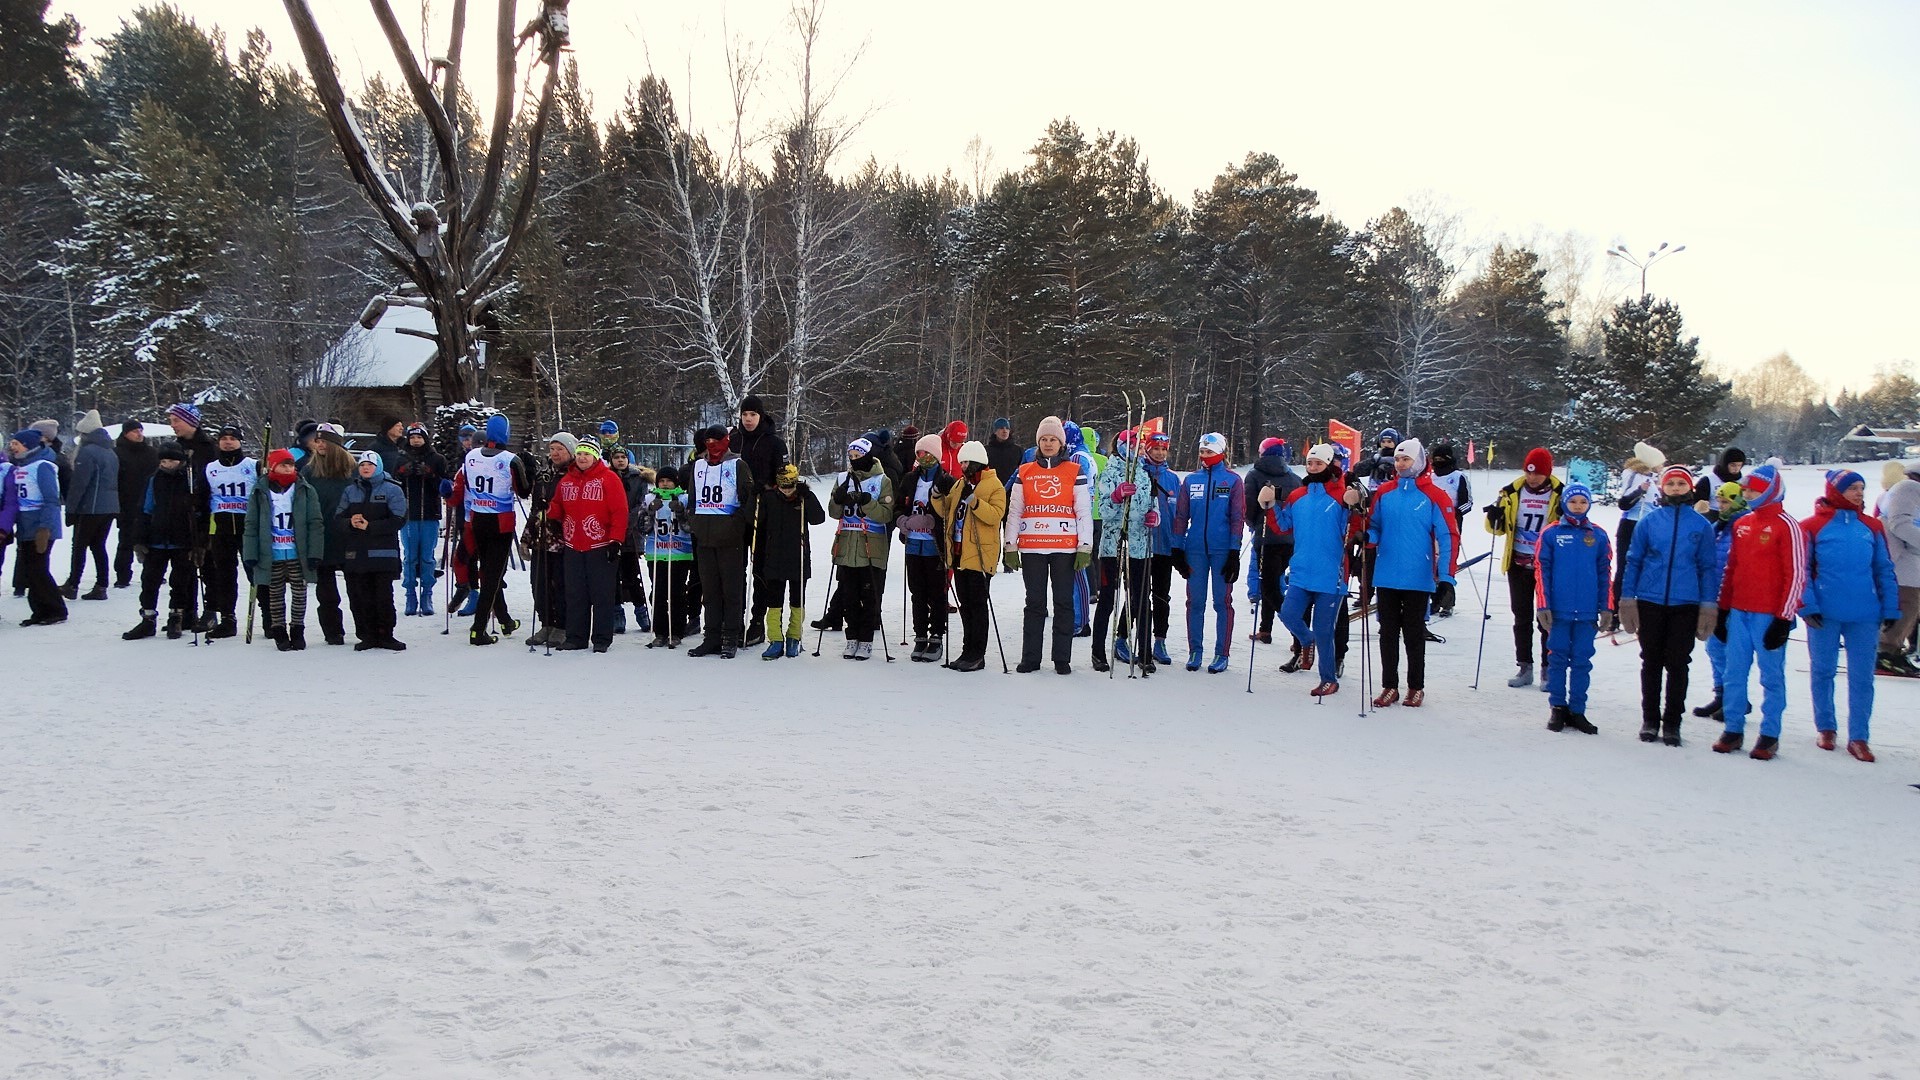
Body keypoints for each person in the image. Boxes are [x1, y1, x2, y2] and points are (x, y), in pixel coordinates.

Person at [1800, 469, 1899, 762]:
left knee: (1862, 677)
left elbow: (1884, 568)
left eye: (1861, 488)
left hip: (1864, 614)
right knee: (1822, 670)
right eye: (1852, 488)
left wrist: (1891, 607)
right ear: (1834, 490)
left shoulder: (1871, 527)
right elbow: (1802, 570)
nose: (1859, 493)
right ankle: (1826, 727)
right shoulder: (1812, 527)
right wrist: (1808, 605)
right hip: (1824, 613)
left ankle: (1859, 736)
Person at [1618, 464, 1719, 746]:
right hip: (1650, 600)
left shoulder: (1701, 525)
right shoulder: (1649, 522)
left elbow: (1708, 567)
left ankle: (1672, 722)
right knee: (1651, 661)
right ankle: (1650, 719)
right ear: (1663, 487)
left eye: (1681, 484)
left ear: (1690, 488)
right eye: (1671, 484)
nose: (1676, 488)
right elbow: (1634, 560)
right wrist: (1627, 598)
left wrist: (1709, 604)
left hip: (1685, 604)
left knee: (1678, 663)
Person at [1711, 465, 1805, 760]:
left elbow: (1796, 574)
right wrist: (1723, 609)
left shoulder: (1786, 525)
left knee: (1771, 676)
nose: (1748, 493)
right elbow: (1732, 568)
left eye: (1754, 489)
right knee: (1734, 673)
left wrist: (1783, 618)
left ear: (1770, 491)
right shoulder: (1742, 524)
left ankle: (1769, 733)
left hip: (1769, 615)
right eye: (1746, 489)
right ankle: (1733, 727)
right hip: (1740, 611)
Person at [1364, 438, 1457, 707]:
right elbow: (1375, 526)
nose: (1401, 464)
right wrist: (1366, 535)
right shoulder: (1385, 492)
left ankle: (1416, 685)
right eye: (1397, 460)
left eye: (1406, 460)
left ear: (1418, 462)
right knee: (1387, 632)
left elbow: (1448, 535)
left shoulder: (1434, 495)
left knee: (1414, 632)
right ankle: (1389, 685)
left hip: (1418, 575)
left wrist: (1447, 578)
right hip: (1387, 573)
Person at [1263, 443, 1359, 696]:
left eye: (1318, 463)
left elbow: (1354, 530)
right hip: (1302, 571)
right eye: (1310, 463)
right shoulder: (1298, 496)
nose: (1313, 467)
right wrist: (1271, 506)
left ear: (1329, 465)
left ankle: (1328, 679)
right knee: (1289, 614)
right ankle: (1307, 640)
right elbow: (1283, 526)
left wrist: (1355, 506)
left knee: (1325, 629)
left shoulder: (1340, 494)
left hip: (1331, 574)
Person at [1004, 417, 1091, 674]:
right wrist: (1010, 546)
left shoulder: (1074, 471)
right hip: (1032, 548)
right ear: (1038, 443)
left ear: (1061, 443)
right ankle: (1031, 658)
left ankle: (1061, 658)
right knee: (1035, 604)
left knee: (1063, 602)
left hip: (1065, 548)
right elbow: (1015, 510)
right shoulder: (1025, 471)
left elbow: (1083, 510)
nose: (1049, 443)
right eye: (1044, 439)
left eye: (1053, 439)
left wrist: (1085, 547)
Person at [1534, 483, 1612, 734]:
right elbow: (1541, 570)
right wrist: (1544, 604)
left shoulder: (1598, 535)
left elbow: (1604, 572)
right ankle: (1557, 707)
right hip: (1558, 610)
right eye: (1573, 501)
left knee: (1582, 661)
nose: (1578, 506)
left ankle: (1577, 709)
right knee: (1557, 659)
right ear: (1564, 503)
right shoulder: (1551, 533)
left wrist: (1606, 607)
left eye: (1583, 502)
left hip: (1587, 612)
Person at [1484, 446, 1563, 688]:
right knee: (1521, 617)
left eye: (1537, 474)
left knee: (1547, 619)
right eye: (1528, 473)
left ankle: (1548, 669)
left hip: (1547, 566)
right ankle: (1524, 666)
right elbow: (1496, 530)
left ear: (1547, 473)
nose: (1532, 478)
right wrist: (1494, 516)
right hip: (1517, 562)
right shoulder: (1511, 491)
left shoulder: (1560, 494)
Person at [544, 435, 629, 652]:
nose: (582, 458)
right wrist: (548, 508)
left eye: (587, 454)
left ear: (595, 456)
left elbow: (620, 512)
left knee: (601, 593)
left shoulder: (609, 479)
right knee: (575, 593)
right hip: (573, 545)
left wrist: (616, 540)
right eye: (580, 453)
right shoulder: (567, 480)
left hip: (601, 545)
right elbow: (557, 508)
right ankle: (576, 637)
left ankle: (601, 638)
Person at [1174, 432, 1245, 673]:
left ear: (1221, 453)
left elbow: (1237, 518)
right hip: (1195, 549)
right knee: (1195, 601)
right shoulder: (1192, 480)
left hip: (1222, 549)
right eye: (1202, 452)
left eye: (1210, 452)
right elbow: (1181, 516)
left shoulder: (1233, 481)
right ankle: (1195, 650)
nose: (1205, 456)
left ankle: (1221, 653)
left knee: (1222, 601)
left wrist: (1235, 551)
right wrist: (1177, 547)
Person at [933, 440, 1007, 672]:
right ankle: (967, 650)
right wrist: (937, 493)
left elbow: (995, 515)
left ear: (978, 462)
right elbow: (946, 509)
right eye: (961, 462)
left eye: (966, 462)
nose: (963, 466)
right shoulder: (960, 484)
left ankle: (977, 653)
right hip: (960, 554)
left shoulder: (994, 485)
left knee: (977, 605)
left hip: (980, 555)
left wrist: (973, 500)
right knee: (965, 605)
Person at [242, 448, 324, 650]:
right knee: (275, 592)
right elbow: (251, 524)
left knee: (299, 591)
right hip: (272, 551)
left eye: (291, 465)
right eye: (284, 464)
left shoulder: (304, 489)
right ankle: (278, 629)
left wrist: (315, 553)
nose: (289, 468)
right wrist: (250, 553)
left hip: (298, 551)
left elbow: (315, 523)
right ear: (273, 466)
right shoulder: (260, 490)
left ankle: (297, 629)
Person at [459, 415, 530, 645]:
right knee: (492, 575)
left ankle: (505, 620)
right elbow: (524, 491)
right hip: (500, 521)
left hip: (478, 517)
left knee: (488, 570)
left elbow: (468, 485)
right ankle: (478, 628)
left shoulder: (470, 455)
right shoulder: (511, 459)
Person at [1093, 429, 1157, 673]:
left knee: (1140, 599)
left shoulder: (1143, 472)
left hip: (1140, 545)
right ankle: (1098, 652)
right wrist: (1117, 496)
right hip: (1113, 545)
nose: (1133, 449)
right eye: (1128, 444)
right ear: (1118, 446)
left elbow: (1152, 503)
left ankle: (1145, 653)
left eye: (1136, 445)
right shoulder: (1110, 471)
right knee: (1108, 598)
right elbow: (1104, 511)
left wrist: (1154, 515)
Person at [688, 427, 755, 657]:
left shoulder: (737, 465)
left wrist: (736, 526)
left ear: (726, 441)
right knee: (710, 591)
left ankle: (730, 635)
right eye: (708, 440)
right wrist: (695, 523)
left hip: (730, 540)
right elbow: (693, 500)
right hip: (705, 539)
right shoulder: (698, 466)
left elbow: (748, 501)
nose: (712, 444)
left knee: (731, 590)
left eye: (717, 440)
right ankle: (712, 636)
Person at [121, 445, 199, 640]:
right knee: (150, 580)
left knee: (180, 582)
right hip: (156, 539)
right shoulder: (154, 480)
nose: (167, 465)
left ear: (180, 462)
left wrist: (199, 541)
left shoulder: (189, 480)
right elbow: (145, 510)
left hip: (182, 540)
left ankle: (176, 616)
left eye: (171, 461)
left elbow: (198, 512)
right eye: (163, 462)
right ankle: (148, 618)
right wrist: (139, 539)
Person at [830, 437, 896, 660]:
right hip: (847, 545)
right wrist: (838, 500)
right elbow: (833, 512)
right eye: (851, 456)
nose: (854, 460)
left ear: (867, 456)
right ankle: (852, 637)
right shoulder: (842, 478)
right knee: (848, 596)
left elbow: (886, 514)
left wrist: (867, 501)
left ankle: (866, 639)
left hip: (872, 546)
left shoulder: (881, 480)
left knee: (869, 596)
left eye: (858, 456)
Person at [731, 394, 789, 646]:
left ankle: (757, 620)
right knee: (735, 568)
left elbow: (785, 476)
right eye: (745, 415)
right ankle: (733, 619)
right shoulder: (733, 440)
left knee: (761, 570)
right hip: (734, 512)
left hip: (764, 512)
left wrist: (769, 488)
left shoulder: (774, 442)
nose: (748, 419)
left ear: (761, 416)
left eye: (753, 415)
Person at [337, 450, 408, 650]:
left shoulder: (392, 489)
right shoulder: (351, 490)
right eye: (362, 465)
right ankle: (367, 635)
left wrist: (371, 526)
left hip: (383, 555)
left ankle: (386, 635)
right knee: (362, 596)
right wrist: (350, 523)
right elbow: (337, 519)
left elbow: (399, 519)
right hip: (357, 554)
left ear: (378, 467)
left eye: (370, 465)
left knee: (383, 596)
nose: (366, 468)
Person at [754, 463, 825, 659]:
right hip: (774, 557)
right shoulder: (769, 498)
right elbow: (756, 522)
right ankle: (775, 639)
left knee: (797, 599)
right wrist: (756, 496)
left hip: (798, 557)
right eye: (783, 486)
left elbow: (819, 518)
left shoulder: (802, 498)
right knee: (774, 601)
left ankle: (794, 636)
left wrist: (807, 496)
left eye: (790, 485)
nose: (787, 490)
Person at [898, 433, 955, 661]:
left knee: (937, 593)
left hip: (935, 546)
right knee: (917, 592)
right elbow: (900, 505)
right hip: (913, 544)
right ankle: (920, 634)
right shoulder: (910, 479)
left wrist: (935, 521)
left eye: (927, 454)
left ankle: (937, 635)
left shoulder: (946, 480)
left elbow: (951, 511)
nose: (923, 458)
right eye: (919, 454)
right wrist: (902, 521)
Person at [198, 424, 257, 639]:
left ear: (240, 441)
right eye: (224, 438)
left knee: (255, 571)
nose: (228, 441)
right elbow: (203, 500)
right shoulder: (210, 468)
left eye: (233, 438)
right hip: (220, 529)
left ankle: (269, 616)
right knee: (224, 575)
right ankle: (228, 619)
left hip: (248, 527)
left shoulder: (252, 465)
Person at [301, 428, 355, 645]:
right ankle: (333, 631)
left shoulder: (353, 470)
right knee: (326, 592)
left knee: (357, 588)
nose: (320, 445)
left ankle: (364, 626)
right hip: (321, 536)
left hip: (348, 535)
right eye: (318, 441)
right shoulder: (309, 471)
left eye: (324, 441)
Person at [1245, 436, 1299, 648]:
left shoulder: (1254, 475)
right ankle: (1265, 629)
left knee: (1269, 588)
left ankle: (1299, 632)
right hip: (1289, 539)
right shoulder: (1293, 477)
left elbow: (1248, 508)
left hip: (1267, 538)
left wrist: (1254, 523)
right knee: (1273, 582)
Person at [8, 429, 66, 625]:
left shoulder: (42, 466)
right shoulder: (20, 465)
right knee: (30, 571)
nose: (12, 447)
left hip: (41, 527)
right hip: (25, 527)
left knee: (38, 569)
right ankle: (40, 611)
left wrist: (45, 528)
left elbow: (51, 499)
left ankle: (55, 609)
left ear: (28, 445)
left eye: (16, 443)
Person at [392, 423, 447, 617]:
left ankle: (427, 594)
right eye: (412, 437)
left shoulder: (437, 459)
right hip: (408, 515)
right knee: (410, 557)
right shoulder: (400, 458)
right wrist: (401, 474)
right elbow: (393, 485)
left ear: (425, 438)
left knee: (427, 556)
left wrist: (431, 475)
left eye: (419, 437)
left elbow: (444, 485)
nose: (416, 440)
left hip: (430, 513)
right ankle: (410, 594)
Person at [1134, 429, 1180, 666]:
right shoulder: (1139, 472)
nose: (1160, 453)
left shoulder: (1172, 478)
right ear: (1147, 449)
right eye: (1155, 449)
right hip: (1141, 545)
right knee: (1138, 595)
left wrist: (1178, 545)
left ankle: (1159, 641)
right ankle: (1124, 636)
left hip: (1164, 546)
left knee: (1162, 596)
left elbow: (1180, 515)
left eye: (1163, 449)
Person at [524, 434, 574, 646]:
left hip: (564, 539)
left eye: (560, 449)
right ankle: (547, 623)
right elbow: (535, 509)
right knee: (539, 583)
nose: (555, 453)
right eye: (552, 448)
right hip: (542, 539)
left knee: (561, 584)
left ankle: (563, 625)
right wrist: (526, 538)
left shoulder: (573, 475)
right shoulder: (544, 475)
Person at [62, 418, 119, 601]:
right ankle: (102, 585)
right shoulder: (110, 451)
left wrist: (71, 509)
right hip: (110, 506)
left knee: (79, 546)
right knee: (98, 545)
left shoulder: (87, 452)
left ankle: (72, 584)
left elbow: (79, 484)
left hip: (91, 506)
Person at [640, 465, 695, 646]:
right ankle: (660, 631)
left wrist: (680, 513)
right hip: (657, 552)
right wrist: (650, 512)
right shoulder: (649, 498)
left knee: (677, 593)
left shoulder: (685, 498)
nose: (665, 485)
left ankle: (677, 630)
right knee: (658, 593)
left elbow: (690, 528)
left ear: (676, 482)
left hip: (679, 553)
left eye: (669, 481)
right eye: (661, 481)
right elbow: (643, 528)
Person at [1875, 460, 1920, 675]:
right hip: (1902, 561)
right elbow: (1899, 524)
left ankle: (1891, 650)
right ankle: (1886, 652)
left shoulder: (1906, 489)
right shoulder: (1909, 488)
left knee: (1910, 606)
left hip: (1906, 560)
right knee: (1907, 604)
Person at [1611, 441, 1664, 617]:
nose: (1662, 466)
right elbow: (1624, 503)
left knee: (1647, 568)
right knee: (1625, 569)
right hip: (1631, 526)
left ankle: (1642, 609)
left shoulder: (1652, 478)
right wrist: (1639, 491)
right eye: (1660, 462)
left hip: (1649, 528)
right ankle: (1616, 613)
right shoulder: (1634, 475)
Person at [605, 445, 652, 633]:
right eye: (616, 457)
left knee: (632, 576)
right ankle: (617, 614)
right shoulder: (606, 477)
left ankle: (642, 613)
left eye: (623, 457)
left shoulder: (638, 479)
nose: (620, 460)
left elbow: (642, 503)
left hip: (631, 533)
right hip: (611, 534)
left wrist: (626, 520)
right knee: (613, 576)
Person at [1426, 439, 1471, 617]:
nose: (1438, 462)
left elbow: (1467, 502)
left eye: (1441, 459)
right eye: (1435, 459)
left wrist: (1455, 514)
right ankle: (1433, 600)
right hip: (1430, 526)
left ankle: (1447, 601)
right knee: (1431, 562)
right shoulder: (1430, 476)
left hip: (1451, 525)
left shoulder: (1459, 477)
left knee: (1447, 562)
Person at [113, 419, 158, 589]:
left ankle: (153, 573)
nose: (139, 434)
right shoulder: (117, 453)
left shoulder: (152, 453)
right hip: (126, 503)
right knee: (125, 541)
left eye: (140, 430)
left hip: (149, 503)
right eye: (134, 431)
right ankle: (122, 575)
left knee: (151, 541)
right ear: (126, 433)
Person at [1694, 446, 1747, 519]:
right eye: (1733, 465)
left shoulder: (1744, 481)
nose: (1736, 468)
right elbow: (1698, 504)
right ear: (1725, 464)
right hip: (1712, 516)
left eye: (1739, 465)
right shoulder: (1708, 480)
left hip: (1738, 516)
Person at [984, 417, 1023, 495]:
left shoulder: (1018, 451)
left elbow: (1022, 471)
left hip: (1012, 492)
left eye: (1007, 428)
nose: (1005, 431)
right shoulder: (986, 450)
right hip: (992, 491)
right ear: (995, 431)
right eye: (1001, 428)